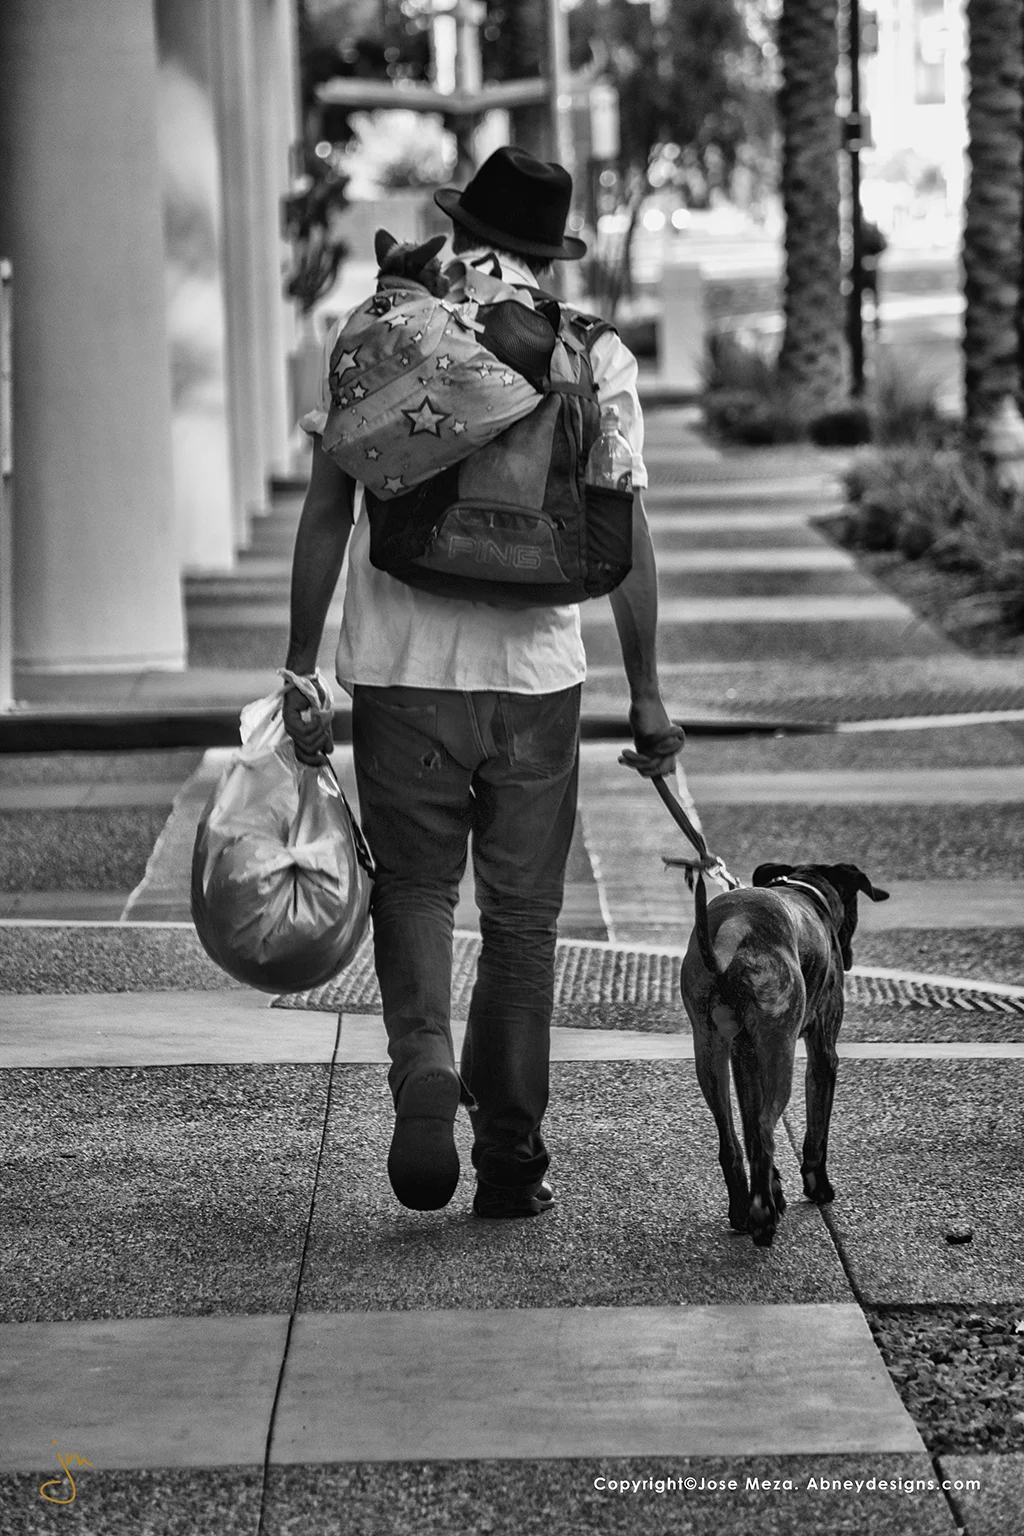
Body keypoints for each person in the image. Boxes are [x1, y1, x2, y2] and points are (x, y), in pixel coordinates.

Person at [282, 145, 683, 1220]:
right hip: (537, 678)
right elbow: (623, 535)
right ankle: (510, 1154)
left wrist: (301, 666)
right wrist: (645, 694)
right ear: (551, 250)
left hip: (401, 674)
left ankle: (421, 1067)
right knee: (519, 918)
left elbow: (328, 514)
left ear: (458, 228)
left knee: (415, 891)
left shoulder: (381, 331)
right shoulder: (591, 354)